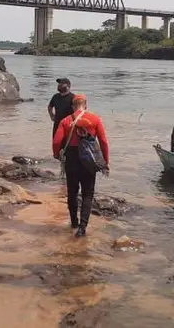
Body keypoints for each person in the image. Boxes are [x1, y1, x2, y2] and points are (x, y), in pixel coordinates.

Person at [52, 93, 110, 238]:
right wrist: (105, 161)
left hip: (71, 158)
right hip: (89, 158)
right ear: (86, 105)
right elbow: (103, 142)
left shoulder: (65, 121)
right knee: (88, 194)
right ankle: (82, 228)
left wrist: (56, 154)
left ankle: (74, 223)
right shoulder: (95, 119)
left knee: (72, 192)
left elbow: (56, 141)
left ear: (73, 106)